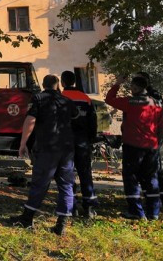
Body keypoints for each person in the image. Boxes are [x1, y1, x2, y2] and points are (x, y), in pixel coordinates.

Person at [11, 75, 76, 236]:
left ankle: (27, 219)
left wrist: (23, 143)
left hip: (47, 147)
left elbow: (30, 120)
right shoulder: (67, 101)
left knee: (40, 182)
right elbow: (74, 118)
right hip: (67, 149)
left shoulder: (38, 98)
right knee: (66, 185)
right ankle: (61, 224)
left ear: (43, 84)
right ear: (57, 85)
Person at [105, 75, 163, 220]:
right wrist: (158, 144)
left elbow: (109, 99)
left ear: (136, 88)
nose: (131, 89)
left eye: (132, 86)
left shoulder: (131, 102)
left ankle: (136, 211)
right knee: (151, 178)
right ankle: (153, 212)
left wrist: (117, 84)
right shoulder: (157, 103)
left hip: (133, 146)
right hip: (152, 146)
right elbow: (160, 127)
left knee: (131, 178)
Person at [134, 72, 163, 210]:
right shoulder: (145, 96)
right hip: (146, 138)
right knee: (147, 171)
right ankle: (154, 200)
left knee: (155, 170)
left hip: (152, 138)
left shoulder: (153, 95)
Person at [61, 70, 98, 218]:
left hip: (65, 141)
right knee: (85, 173)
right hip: (83, 140)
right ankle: (89, 206)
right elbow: (92, 121)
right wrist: (91, 139)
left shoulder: (61, 97)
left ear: (62, 82)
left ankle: (72, 206)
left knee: (67, 173)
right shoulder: (85, 98)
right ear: (74, 81)